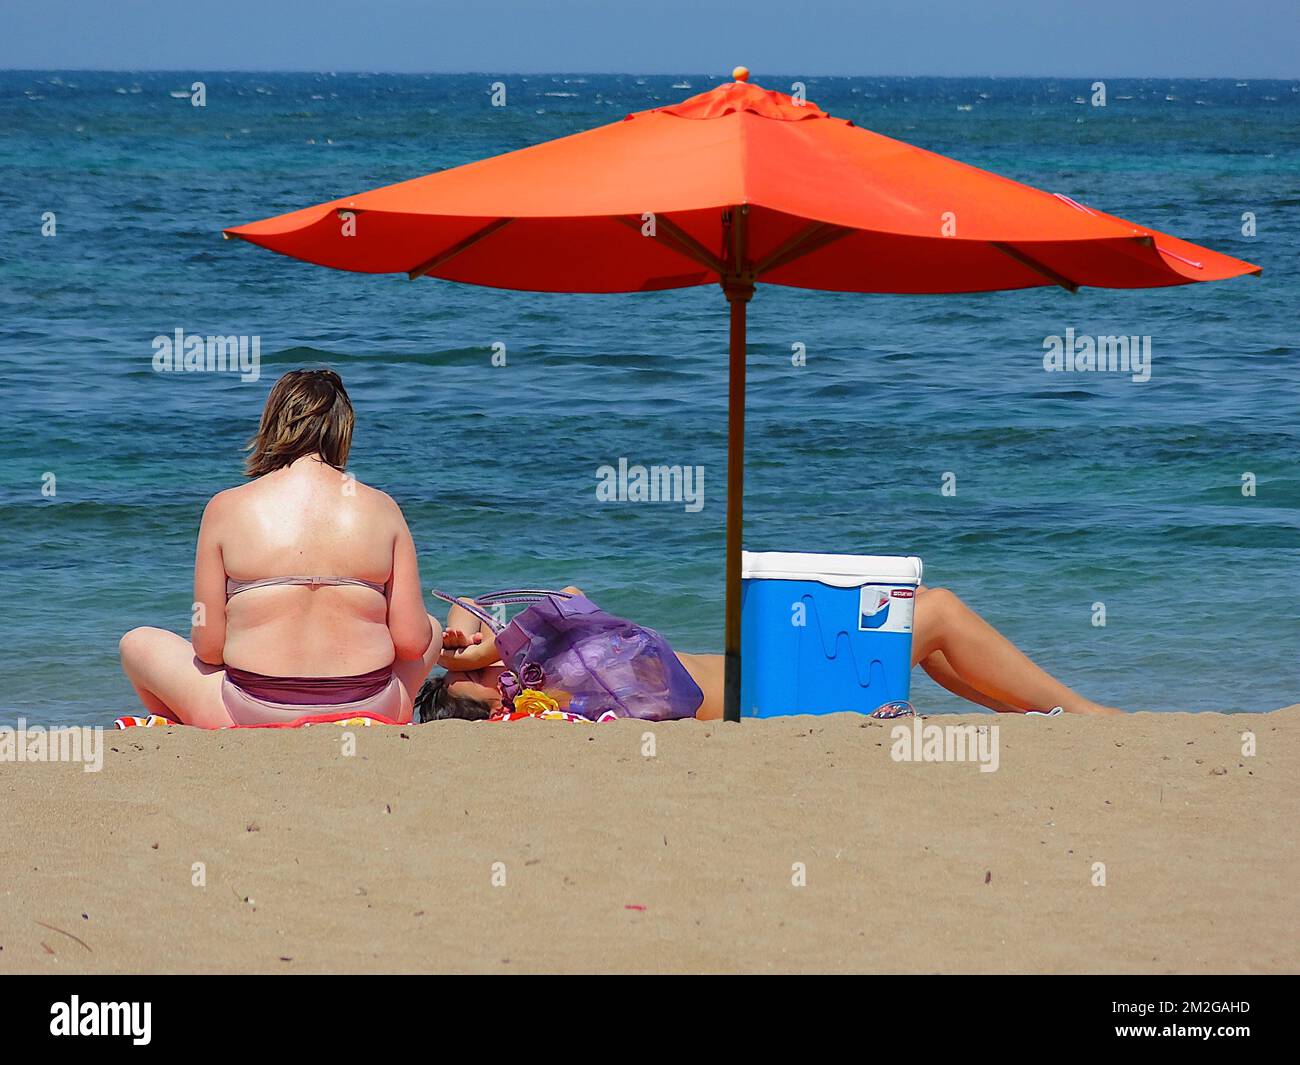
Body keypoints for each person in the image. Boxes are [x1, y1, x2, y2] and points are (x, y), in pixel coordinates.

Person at [119, 369, 442, 727]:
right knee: (431, 627)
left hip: (252, 710)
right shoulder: (383, 508)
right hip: (372, 705)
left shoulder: (226, 507)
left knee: (137, 643)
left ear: (273, 424)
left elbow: (208, 646)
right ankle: (361, 716)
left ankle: (185, 726)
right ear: (342, 431)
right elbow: (412, 643)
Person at [418, 584, 1123, 721]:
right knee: (933, 615)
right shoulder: (573, 700)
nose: (501, 676)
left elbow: (560, 592)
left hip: (768, 666)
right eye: (492, 687)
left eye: (486, 672)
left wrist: (467, 643)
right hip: (782, 692)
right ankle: (1088, 713)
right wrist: (481, 661)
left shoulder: (539, 664)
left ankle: (1049, 716)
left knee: (936, 652)